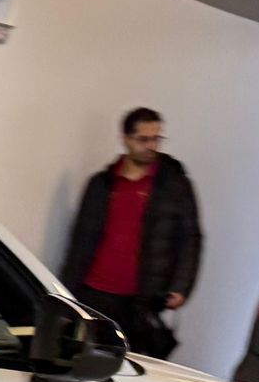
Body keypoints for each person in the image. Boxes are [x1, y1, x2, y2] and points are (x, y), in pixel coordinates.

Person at [62, 108, 201, 358]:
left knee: (130, 364)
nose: (151, 146)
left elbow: (190, 238)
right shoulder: (101, 184)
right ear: (125, 138)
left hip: (141, 297)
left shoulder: (174, 185)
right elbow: (80, 240)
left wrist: (181, 286)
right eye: (143, 139)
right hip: (94, 292)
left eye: (156, 138)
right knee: (83, 359)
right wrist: (67, 289)